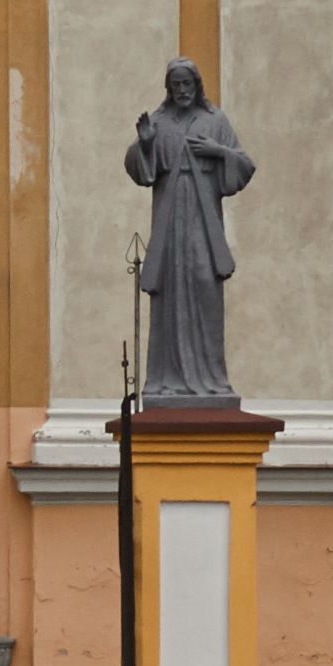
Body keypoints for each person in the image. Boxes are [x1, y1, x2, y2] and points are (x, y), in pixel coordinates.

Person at [126, 57, 254, 405]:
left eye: (187, 84)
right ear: (168, 89)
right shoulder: (158, 122)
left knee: (204, 283)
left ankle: (212, 379)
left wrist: (219, 152)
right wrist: (146, 144)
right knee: (169, 289)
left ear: (197, 85)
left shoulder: (216, 120)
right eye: (176, 85)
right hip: (169, 218)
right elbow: (140, 171)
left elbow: (245, 165)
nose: (182, 90)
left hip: (202, 216)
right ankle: (166, 380)